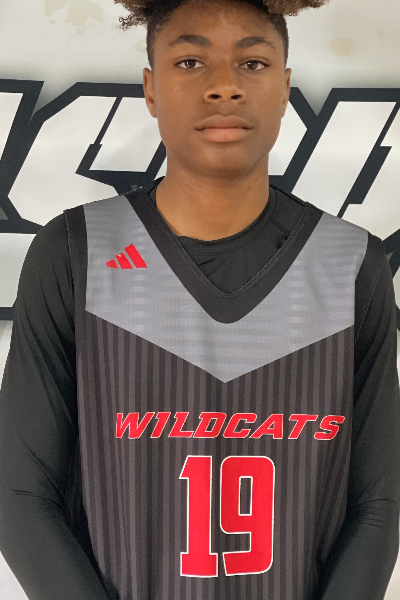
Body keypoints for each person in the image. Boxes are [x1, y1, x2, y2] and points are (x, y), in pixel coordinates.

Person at [0, 0, 399, 599]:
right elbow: (20, 494)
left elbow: (378, 501)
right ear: (151, 89)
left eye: (253, 63)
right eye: (190, 61)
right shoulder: (77, 251)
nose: (223, 86)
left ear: (284, 88)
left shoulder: (351, 263)